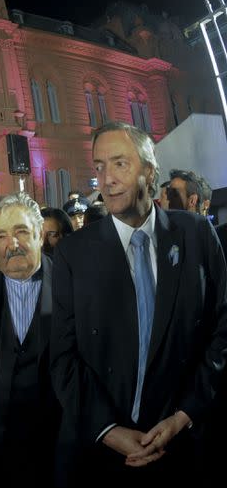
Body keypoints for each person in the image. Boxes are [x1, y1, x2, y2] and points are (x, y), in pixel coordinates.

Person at [50, 121, 227, 487]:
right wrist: (108, 430)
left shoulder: (195, 234)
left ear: (150, 170)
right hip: (105, 453)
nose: (106, 179)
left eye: (119, 163)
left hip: (184, 443)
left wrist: (183, 416)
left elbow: (221, 329)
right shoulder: (73, 252)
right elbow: (64, 355)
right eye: (99, 166)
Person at [0, 193, 60, 485]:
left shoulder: (70, 282)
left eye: (21, 232)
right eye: (1, 236)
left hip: (57, 441)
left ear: (39, 235)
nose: (12, 244)